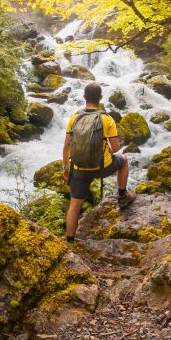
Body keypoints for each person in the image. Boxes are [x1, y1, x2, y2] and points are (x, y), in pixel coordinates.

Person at [62, 82, 136, 242]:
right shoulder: (106, 118)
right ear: (101, 97)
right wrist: (107, 146)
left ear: (84, 97)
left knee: (74, 206)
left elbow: (67, 145)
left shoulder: (74, 118)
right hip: (102, 167)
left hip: (79, 168)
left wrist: (65, 167)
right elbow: (116, 148)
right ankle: (122, 196)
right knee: (124, 159)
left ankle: (69, 242)